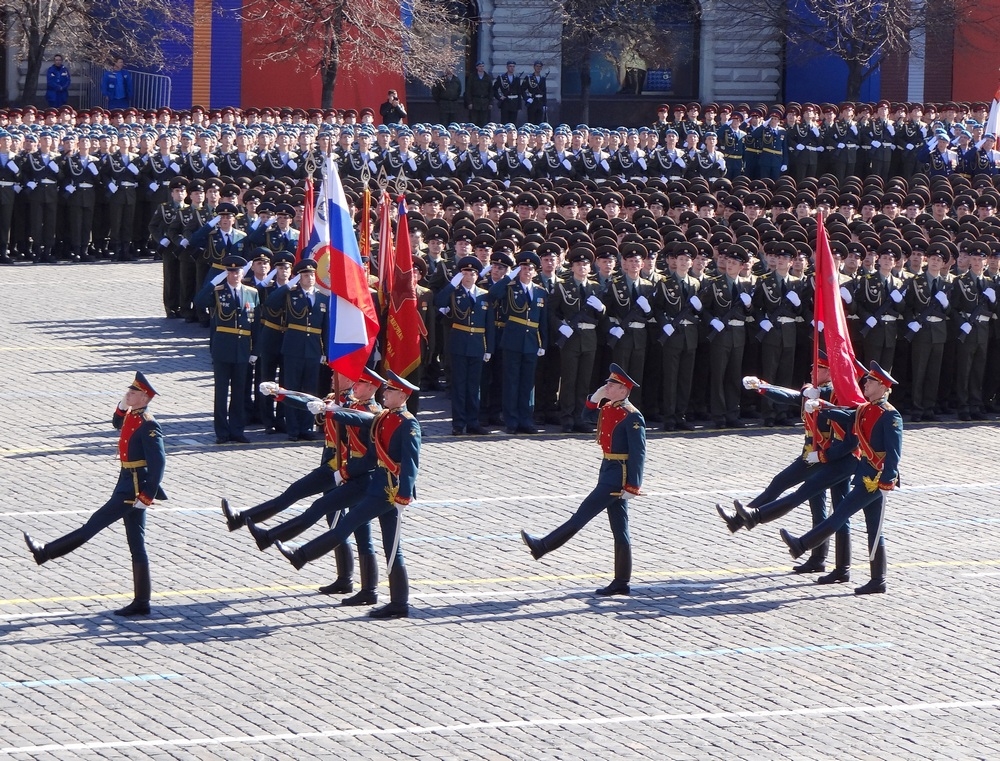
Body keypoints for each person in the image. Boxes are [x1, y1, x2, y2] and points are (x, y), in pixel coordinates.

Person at [224, 368, 387, 603]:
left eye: (344, 377)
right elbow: (309, 402)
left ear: (366, 386)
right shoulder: (339, 401)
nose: (333, 378)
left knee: (359, 531)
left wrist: (344, 471)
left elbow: (355, 430)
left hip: (353, 474)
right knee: (333, 519)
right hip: (338, 468)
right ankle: (345, 579)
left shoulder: (370, 412)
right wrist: (280, 394)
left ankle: (368, 589)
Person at [275, 371, 421, 620]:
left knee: (351, 526)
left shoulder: (408, 423)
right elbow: (357, 419)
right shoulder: (384, 417)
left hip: (390, 492)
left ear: (403, 395)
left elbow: (410, 463)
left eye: (391, 391)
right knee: (391, 546)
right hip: (379, 485)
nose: (385, 393)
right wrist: (328, 411)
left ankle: (302, 555)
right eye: (386, 390)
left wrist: (404, 495)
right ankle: (396, 602)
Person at [22, 372, 166, 617]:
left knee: (91, 527)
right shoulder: (133, 415)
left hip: (132, 489)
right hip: (125, 482)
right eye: (128, 391)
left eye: (132, 392)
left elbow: (159, 463)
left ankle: (45, 552)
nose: (127, 394)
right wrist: (122, 405)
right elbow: (116, 422)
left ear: (144, 397)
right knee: (137, 544)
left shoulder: (149, 423)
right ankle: (142, 602)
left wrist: (145, 497)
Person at [716, 355, 857, 582]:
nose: (812, 370)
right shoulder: (812, 390)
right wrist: (762, 387)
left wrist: (821, 400)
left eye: (818, 368)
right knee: (821, 509)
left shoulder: (834, 392)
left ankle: (741, 519)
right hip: (812, 454)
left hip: (824, 457)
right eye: (812, 366)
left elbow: (843, 411)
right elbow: (790, 396)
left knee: (783, 484)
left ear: (830, 372)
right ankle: (820, 559)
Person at [520, 364, 646, 596]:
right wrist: (594, 398)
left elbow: (638, 453)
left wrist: (633, 486)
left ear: (623, 389)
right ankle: (621, 582)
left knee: (580, 516)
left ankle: (542, 546)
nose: (607, 386)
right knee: (620, 530)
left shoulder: (633, 416)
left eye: (612, 384)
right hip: (608, 469)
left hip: (618, 477)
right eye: (607, 383)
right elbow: (586, 417)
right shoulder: (610, 408)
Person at [779, 361, 903, 595]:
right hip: (865, 475)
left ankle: (802, 544)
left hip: (875, 480)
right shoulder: (867, 409)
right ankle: (877, 579)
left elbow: (894, 453)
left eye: (870, 381)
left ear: (883, 386)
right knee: (874, 529)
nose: (865, 383)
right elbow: (847, 415)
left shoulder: (891, 416)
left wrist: (888, 479)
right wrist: (821, 407)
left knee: (840, 514)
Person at [194, 254, 260, 444]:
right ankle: (222, 432)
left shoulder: (251, 293)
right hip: (223, 347)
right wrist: (212, 283)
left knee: (239, 392)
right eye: (230, 272)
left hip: (243, 349)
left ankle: (237, 430)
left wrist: (255, 350)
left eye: (237, 271)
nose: (234, 275)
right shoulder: (218, 291)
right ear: (226, 273)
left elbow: (255, 324)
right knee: (221, 393)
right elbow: (199, 301)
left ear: (242, 273)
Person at [266, 258, 329, 441]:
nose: (309, 278)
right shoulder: (291, 294)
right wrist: (287, 286)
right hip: (293, 346)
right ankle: (293, 429)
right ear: (298, 277)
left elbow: (326, 327)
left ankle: (306, 427)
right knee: (292, 389)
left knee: (310, 389)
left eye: (311, 274)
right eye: (304, 275)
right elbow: (270, 302)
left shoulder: (322, 297)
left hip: (313, 349)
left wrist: (325, 352)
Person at [435, 255, 494, 435]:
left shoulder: (485, 296)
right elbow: (438, 302)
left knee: (474, 386)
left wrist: (489, 348)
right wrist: (452, 285)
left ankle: (473, 422)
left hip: (477, 344)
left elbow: (489, 324)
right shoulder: (454, 293)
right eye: (465, 272)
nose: (469, 276)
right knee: (460, 386)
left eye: (473, 273)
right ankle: (458, 424)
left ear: (477, 276)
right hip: (459, 344)